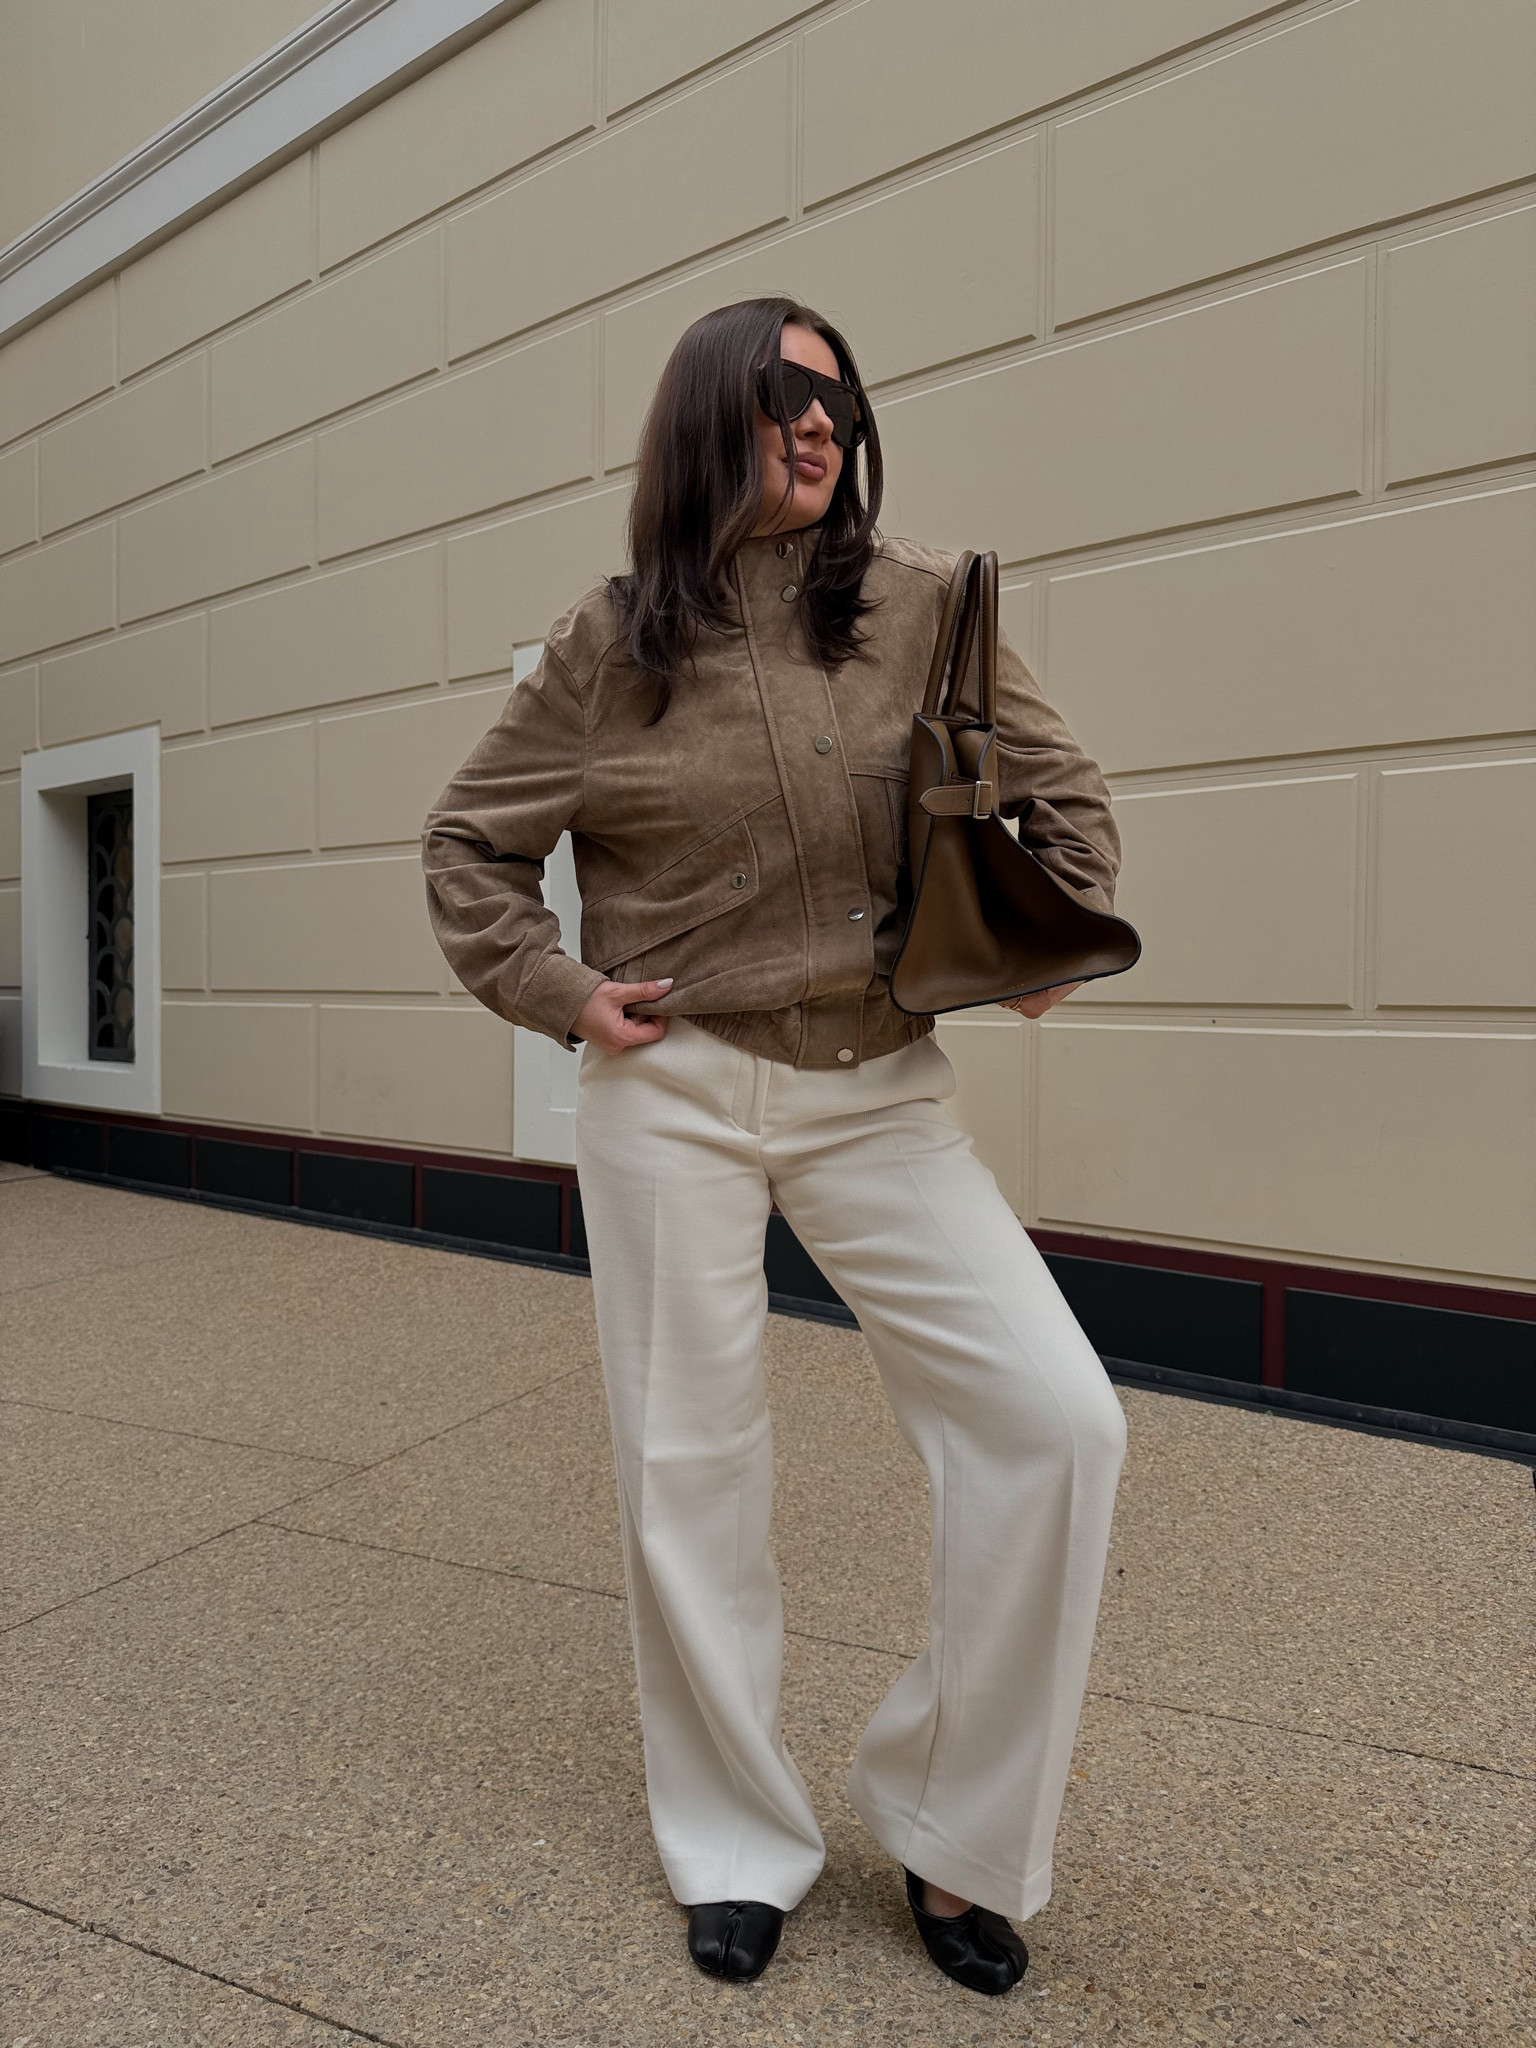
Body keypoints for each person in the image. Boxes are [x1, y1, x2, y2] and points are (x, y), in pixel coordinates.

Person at [422, 297, 1128, 1997]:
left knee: (1057, 1423)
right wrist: (563, 993)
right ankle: (736, 1843)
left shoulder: (928, 605)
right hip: (672, 1086)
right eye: (781, 390)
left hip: (878, 1084)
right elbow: (468, 848)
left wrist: (1046, 934)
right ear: (702, 417)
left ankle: (957, 1835)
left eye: (837, 396)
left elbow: (1068, 805)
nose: (818, 420)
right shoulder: (606, 646)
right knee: (691, 1469)